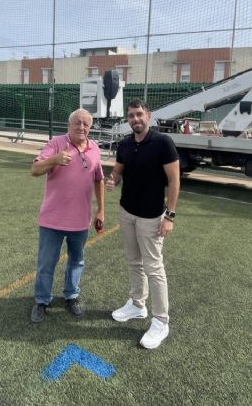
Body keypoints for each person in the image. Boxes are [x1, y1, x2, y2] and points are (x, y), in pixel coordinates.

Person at [106, 98, 180, 349]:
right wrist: (112, 180)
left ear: (148, 115)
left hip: (151, 217)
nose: (135, 119)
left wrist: (169, 216)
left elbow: (174, 181)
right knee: (134, 261)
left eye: (139, 114)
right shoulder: (125, 144)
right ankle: (138, 305)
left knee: (154, 267)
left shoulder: (163, 143)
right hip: (127, 213)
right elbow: (118, 171)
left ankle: (161, 320)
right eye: (131, 116)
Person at [30, 108, 105, 323]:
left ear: (90, 128)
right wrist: (54, 159)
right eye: (77, 123)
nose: (81, 127)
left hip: (80, 221)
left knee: (77, 261)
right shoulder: (56, 144)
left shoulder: (94, 149)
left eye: (86, 124)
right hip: (52, 220)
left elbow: (99, 179)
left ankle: (71, 296)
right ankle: (42, 300)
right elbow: (34, 170)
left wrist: (101, 210)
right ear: (69, 124)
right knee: (46, 263)